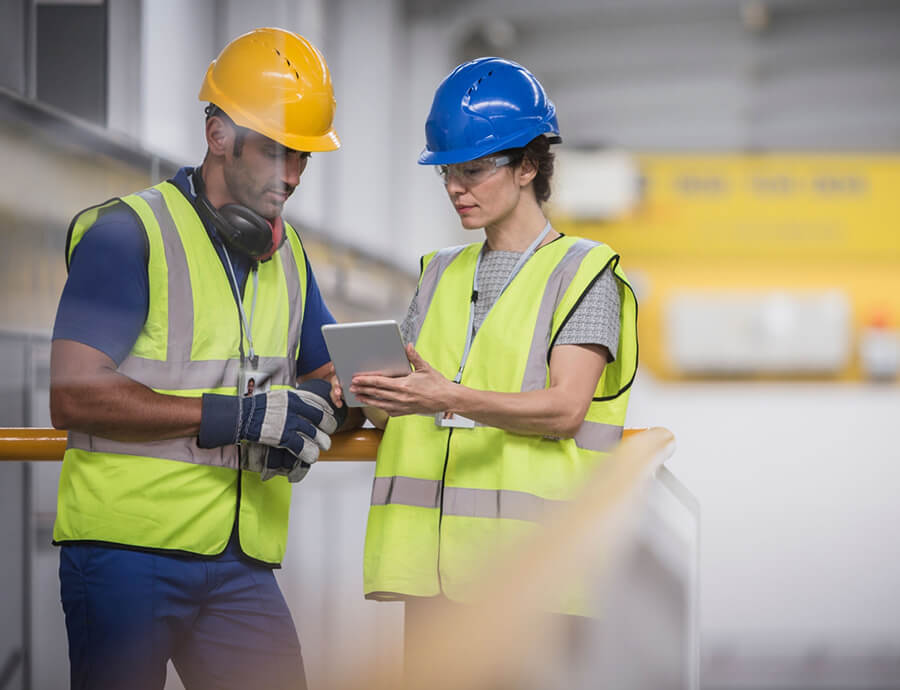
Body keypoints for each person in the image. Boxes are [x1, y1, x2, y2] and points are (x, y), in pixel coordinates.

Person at [49, 28, 354, 690]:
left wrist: (319, 406)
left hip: (241, 560)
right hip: (127, 551)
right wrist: (239, 418)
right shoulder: (128, 235)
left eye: (304, 157)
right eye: (277, 151)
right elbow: (72, 395)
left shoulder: (289, 255)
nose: (294, 176)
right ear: (218, 133)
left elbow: (329, 371)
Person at [352, 58, 638, 638]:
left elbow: (566, 410)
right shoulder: (438, 274)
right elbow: (405, 404)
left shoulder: (584, 273)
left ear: (528, 166)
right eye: (447, 173)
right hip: (432, 573)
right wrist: (372, 393)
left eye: (474, 171)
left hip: (533, 577)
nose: (456, 189)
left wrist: (446, 397)